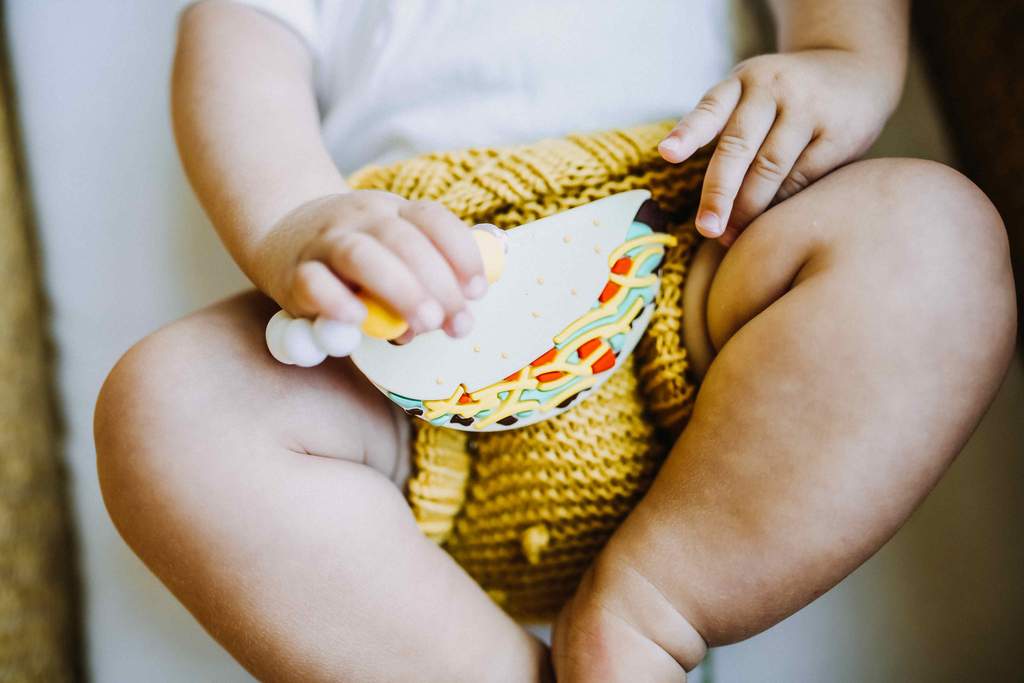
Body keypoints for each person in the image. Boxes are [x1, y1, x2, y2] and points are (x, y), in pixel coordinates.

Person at [94, 1, 1016, 680]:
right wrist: (300, 218)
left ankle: (653, 610)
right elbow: (239, 58)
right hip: (405, 339)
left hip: (689, 264)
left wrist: (840, 57)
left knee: (935, 240)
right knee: (167, 409)